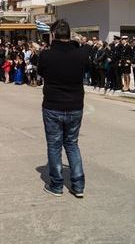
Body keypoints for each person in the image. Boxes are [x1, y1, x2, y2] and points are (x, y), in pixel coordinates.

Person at [38, 19, 89, 198]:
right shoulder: (81, 54)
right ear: (69, 34)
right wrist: (76, 41)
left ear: (53, 35)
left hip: (53, 105)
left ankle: (57, 185)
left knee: (54, 146)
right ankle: (78, 185)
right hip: (75, 105)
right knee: (72, 144)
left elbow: (41, 73)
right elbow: (85, 48)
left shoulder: (45, 55)